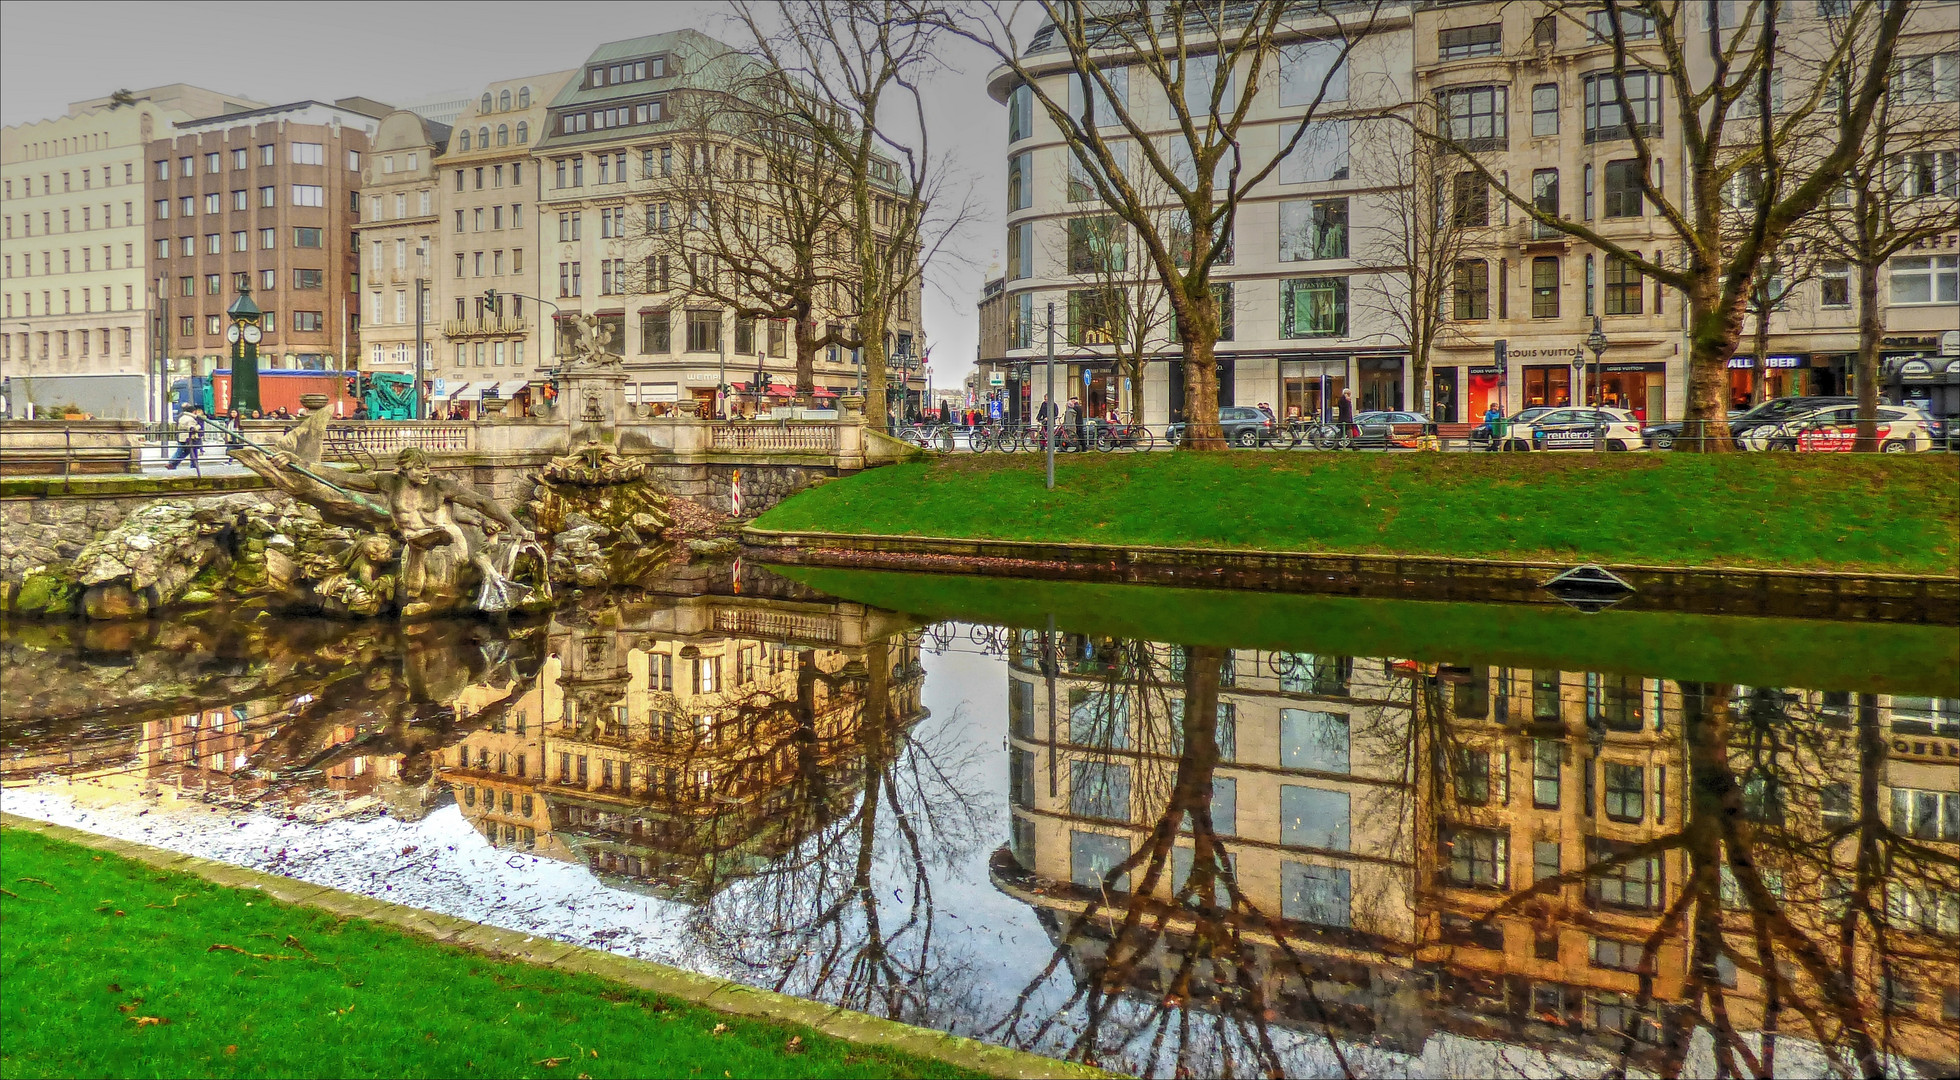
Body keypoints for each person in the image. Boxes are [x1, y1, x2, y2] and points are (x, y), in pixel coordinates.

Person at [166, 405, 205, 470]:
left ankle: (172, 464)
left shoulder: (182, 417)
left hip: (181, 437)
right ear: (193, 411)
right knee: (192, 452)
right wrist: (198, 426)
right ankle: (193, 465)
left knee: (181, 451)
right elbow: (192, 428)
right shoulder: (191, 419)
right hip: (189, 438)